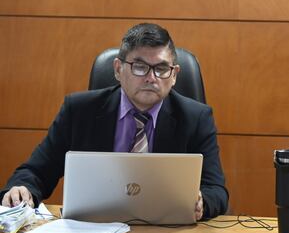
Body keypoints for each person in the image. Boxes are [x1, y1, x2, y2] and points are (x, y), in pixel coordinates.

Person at [0, 23, 228, 220]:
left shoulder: (196, 117)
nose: (151, 77)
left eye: (161, 69)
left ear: (175, 75)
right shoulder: (79, 111)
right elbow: (37, 171)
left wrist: (202, 202)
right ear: (118, 69)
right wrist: (22, 189)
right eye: (140, 67)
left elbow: (217, 191)